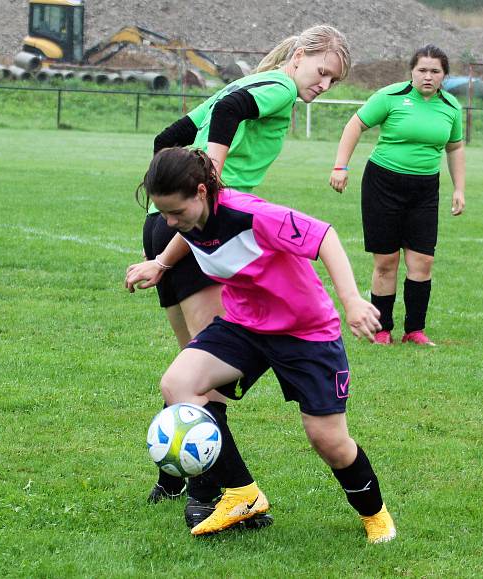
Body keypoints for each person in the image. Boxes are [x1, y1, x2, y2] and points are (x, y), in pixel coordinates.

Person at [126, 147, 397, 544]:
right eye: (162, 213)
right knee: (179, 384)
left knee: (329, 441)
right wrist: (161, 263)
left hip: (305, 331)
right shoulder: (191, 217)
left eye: (175, 212)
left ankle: (375, 515)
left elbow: (324, 236)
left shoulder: (250, 215)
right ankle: (242, 493)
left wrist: (353, 300)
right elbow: (190, 232)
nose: (169, 221)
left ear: (201, 191)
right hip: (244, 324)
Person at [140, 25, 351, 514]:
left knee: (187, 371)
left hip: (164, 226)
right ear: (300, 56)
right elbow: (230, 118)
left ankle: (176, 473)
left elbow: (166, 138)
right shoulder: (275, 86)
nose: (323, 86)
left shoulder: (238, 84)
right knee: (203, 377)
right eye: (322, 73)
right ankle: (213, 490)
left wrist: (172, 193)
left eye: (333, 83)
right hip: (204, 225)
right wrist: (209, 181)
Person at [329, 44, 465, 347]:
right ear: (412, 71)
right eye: (422, 70)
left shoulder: (452, 107)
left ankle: (414, 330)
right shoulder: (390, 96)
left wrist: (459, 188)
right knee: (386, 261)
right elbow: (355, 125)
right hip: (383, 185)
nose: (428, 76)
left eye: (435, 71)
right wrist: (341, 166)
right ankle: (382, 329)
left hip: (426, 189)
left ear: (444, 76)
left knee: (422, 262)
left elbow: (454, 147)